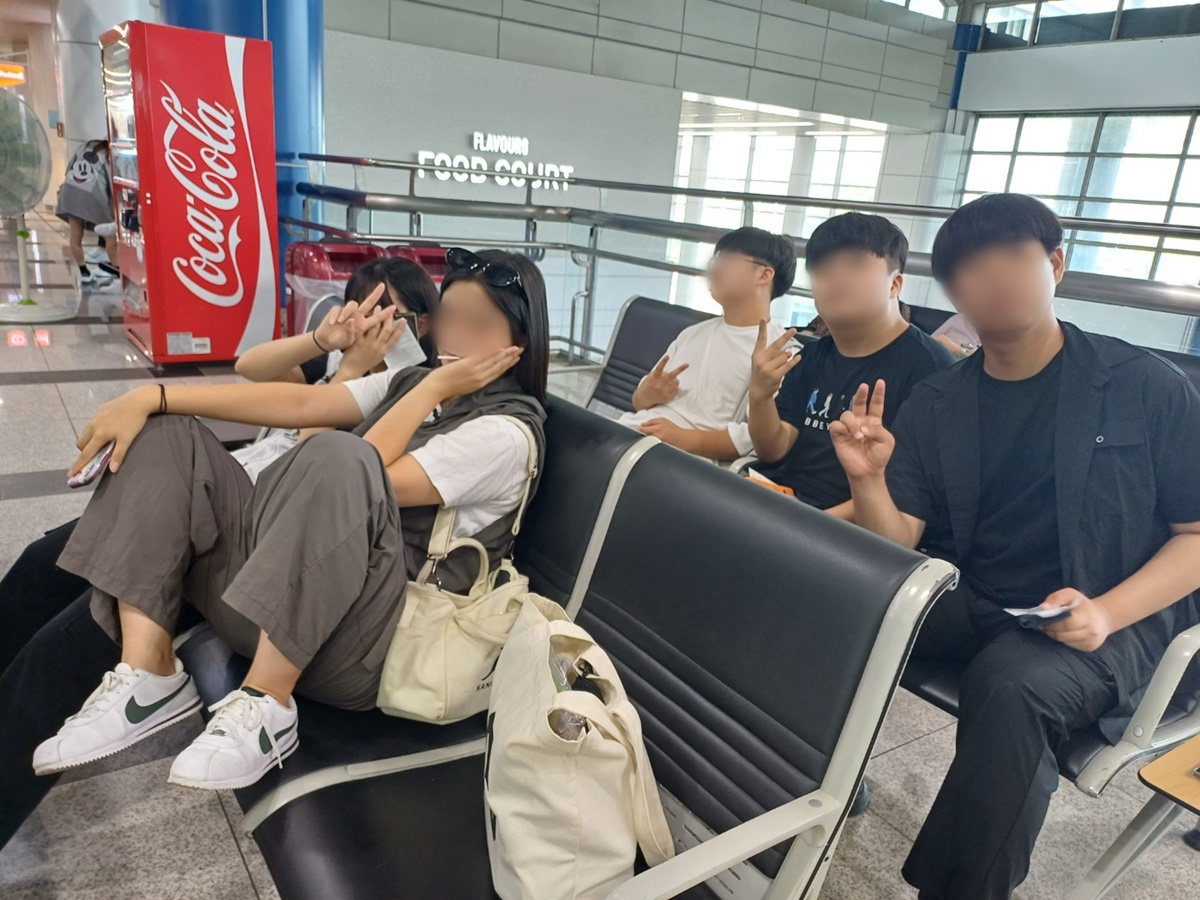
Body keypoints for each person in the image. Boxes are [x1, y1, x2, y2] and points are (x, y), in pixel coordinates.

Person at [20, 248, 547, 804]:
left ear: (519, 342)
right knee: (166, 431)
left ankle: (268, 703)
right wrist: (155, 395)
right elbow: (299, 403)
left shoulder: (506, 434)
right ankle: (147, 672)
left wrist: (432, 390)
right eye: (451, 317)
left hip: (361, 641)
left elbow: (367, 473)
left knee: (341, 456)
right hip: (278, 598)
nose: (457, 336)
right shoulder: (413, 381)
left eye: (478, 325)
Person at [828, 193, 1200, 899]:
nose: (993, 276)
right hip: (982, 598)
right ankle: (814, 783)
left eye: (1013, 256)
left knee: (1011, 686)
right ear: (953, 293)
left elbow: (1196, 536)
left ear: (1055, 263)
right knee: (839, 600)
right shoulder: (940, 400)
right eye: (970, 267)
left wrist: (1107, 613)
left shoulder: (1143, 386)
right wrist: (868, 479)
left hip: (1107, 617)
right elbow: (899, 540)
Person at [747, 213, 954, 514]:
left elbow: (907, 496)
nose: (836, 278)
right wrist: (760, 396)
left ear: (895, 284)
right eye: (823, 269)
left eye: (856, 265)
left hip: (849, 529)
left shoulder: (931, 370)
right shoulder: (813, 356)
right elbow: (773, 450)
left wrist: (807, 522)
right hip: (783, 504)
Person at [616, 227, 797, 461]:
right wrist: (648, 394)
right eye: (716, 258)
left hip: (683, 459)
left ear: (763, 275)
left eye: (728, 259)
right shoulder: (693, 333)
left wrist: (685, 438)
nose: (714, 268)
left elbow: (755, 439)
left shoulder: (780, 352)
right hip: (636, 433)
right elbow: (639, 402)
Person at [55, 139, 114, 286]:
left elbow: (68, 169)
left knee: (76, 235)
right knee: (110, 231)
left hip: (71, 191)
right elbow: (111, 181)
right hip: (93, 194)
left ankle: (84, 273)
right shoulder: (108, 155)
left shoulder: (84, 147)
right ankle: (114, 267)